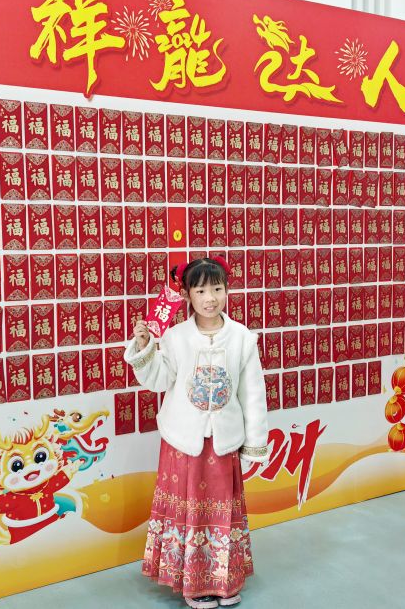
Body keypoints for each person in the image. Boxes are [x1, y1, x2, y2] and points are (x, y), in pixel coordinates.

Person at [123, 257, 269, 609]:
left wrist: (255, 443)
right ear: (187, 295)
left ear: (227, 291)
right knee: (188, 510)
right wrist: (145, 346)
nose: (210, 298)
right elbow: (159, 380)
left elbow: (252, 393)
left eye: (217, 289)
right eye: (201, 291)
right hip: (183, 442)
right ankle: (192, 584)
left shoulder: (242, 339)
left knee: (220, 510)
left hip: (223, 442)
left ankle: (222, 580)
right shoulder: (175, 337)